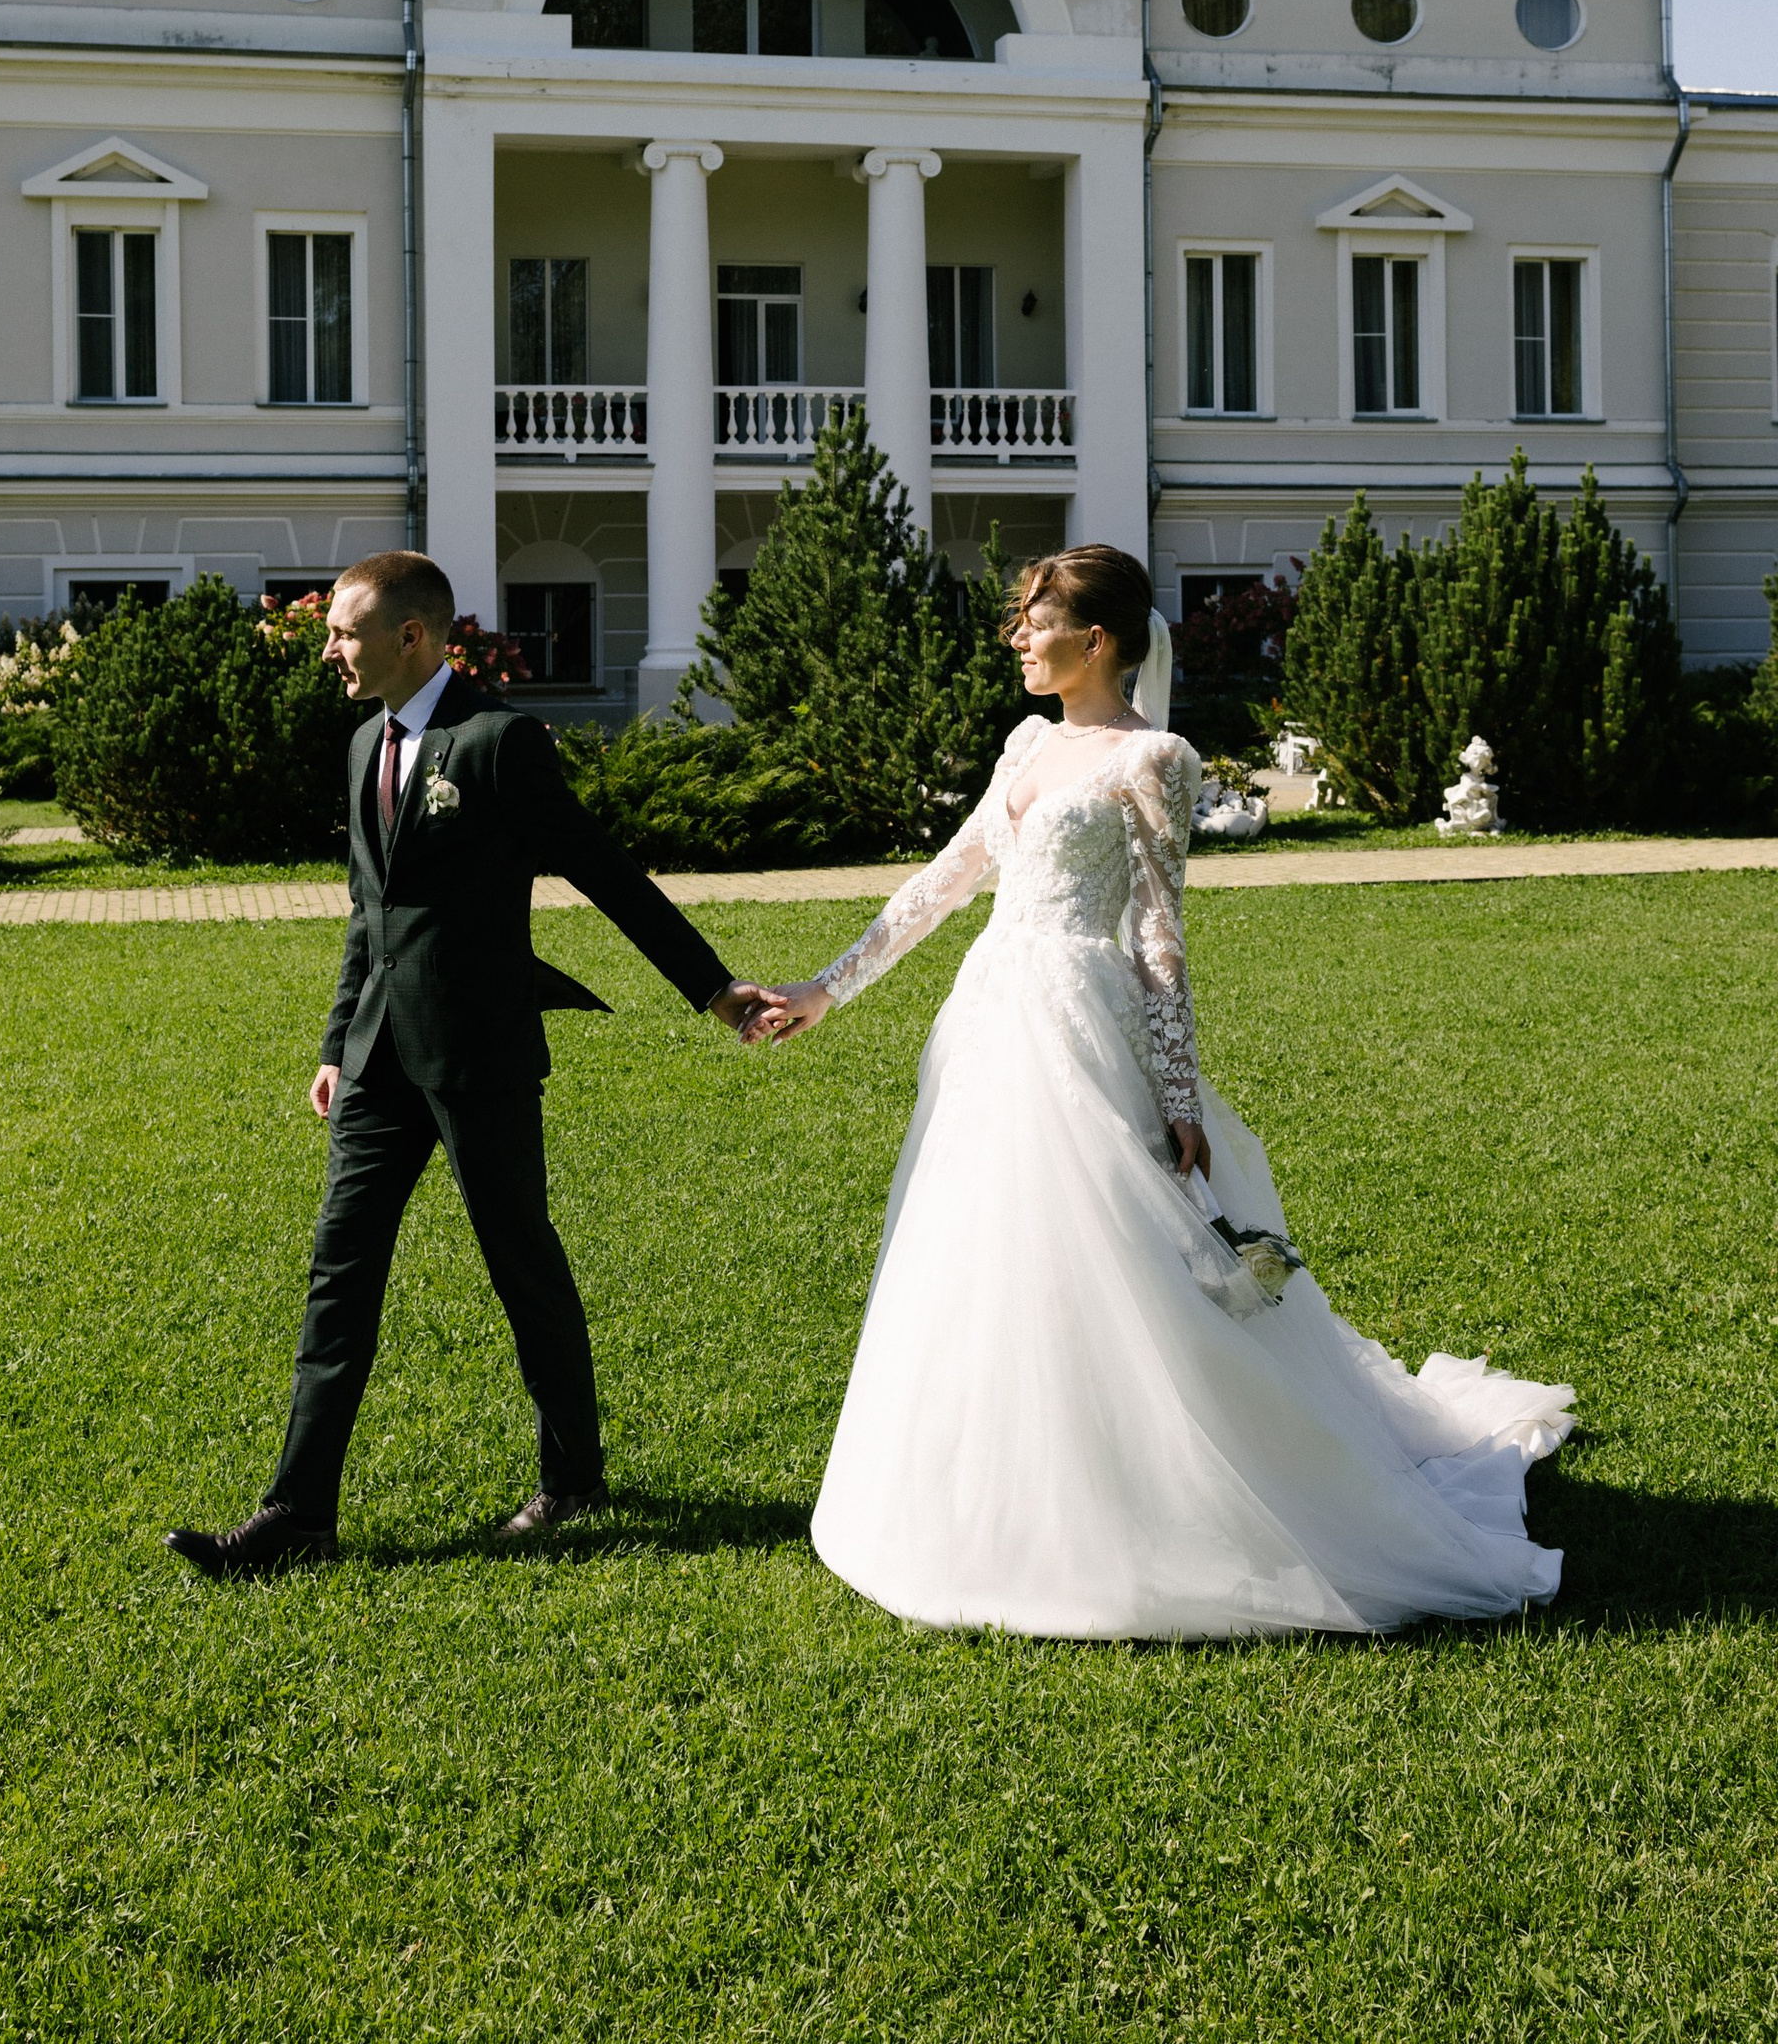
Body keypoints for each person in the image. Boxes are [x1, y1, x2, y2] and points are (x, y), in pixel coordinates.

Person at [750, 544, 1574, 1641]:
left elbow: (1158, 938)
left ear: (1095, 639)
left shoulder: (1155, 759)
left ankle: (1157, 1493)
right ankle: (989, 1500)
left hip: (1085, 1028)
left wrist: (1179, 1097)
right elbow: (946, 879)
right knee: (981, 1252)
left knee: (1115, 1257)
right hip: (990, 1022)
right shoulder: (1026, 743)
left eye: (1035, 619)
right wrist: (825, 988)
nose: (1016, 636)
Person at [167, 549, 769, 1578]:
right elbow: (369, 912)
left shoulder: (498, 743)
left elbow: (605, 871)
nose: (330, 650)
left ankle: (572, 1477)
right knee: (339, 1276)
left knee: (519, 1261)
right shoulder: (365, 743)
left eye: (343, 632)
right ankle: (298, 1516)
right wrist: (337, 1045)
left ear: (410, 636)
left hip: (477, 1054)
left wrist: (711, 988)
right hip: (376, 1060)